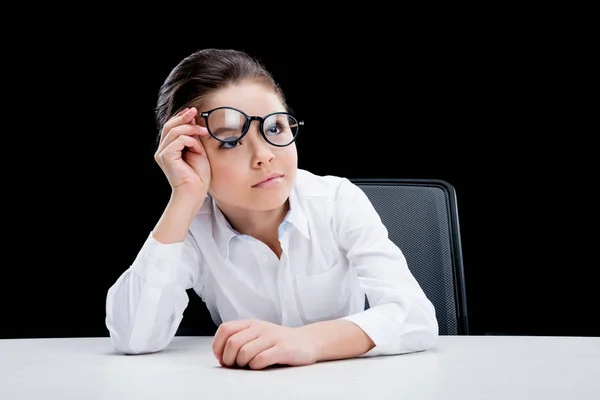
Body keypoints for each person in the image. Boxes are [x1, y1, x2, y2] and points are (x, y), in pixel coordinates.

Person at [105, 48, 438, 370]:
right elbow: (134, 337)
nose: (264, 155)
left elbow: (415, 316)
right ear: (190, 152)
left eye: (275, 128)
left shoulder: (336, 200)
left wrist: (306, 342)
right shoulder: (191, 225)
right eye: (231, 140)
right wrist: (184, 196)